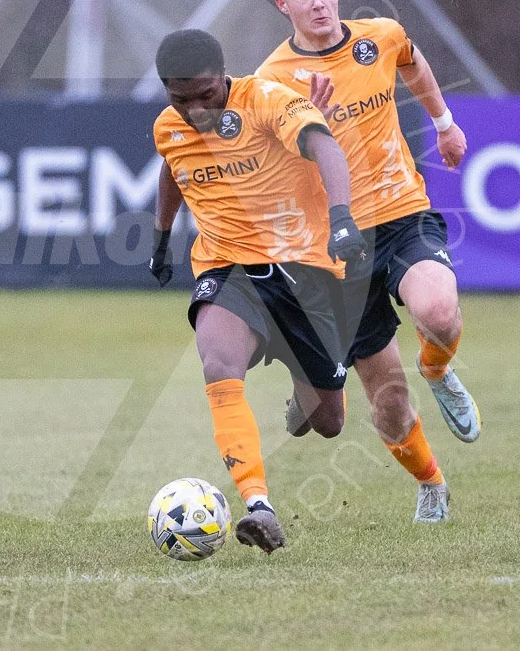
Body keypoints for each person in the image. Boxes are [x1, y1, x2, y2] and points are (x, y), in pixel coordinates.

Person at [254, 0, 482, 523]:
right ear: (284, 4)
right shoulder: (272, 79)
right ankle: (431, 482)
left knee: (438, 312)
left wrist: (445, 123)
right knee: (389, 403)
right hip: (335, 245)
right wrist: (313, 127)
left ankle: (437, 366)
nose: (320, 3)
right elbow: (267, 171)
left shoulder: (377, 36)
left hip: (402, 212)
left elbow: (412, 59)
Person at [148, 28, 368, 553]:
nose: (196, 111)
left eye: (206, 97)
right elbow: (172, 171)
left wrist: (342, 218)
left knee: (330, 423)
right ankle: (259, 507)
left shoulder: (267, 99)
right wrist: (161, 238)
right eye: (181, 100)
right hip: (226, 268)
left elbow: (325, 146)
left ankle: (300, 386)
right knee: (218, 365)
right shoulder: (168, 126)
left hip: (304, 271)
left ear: (224, 77)